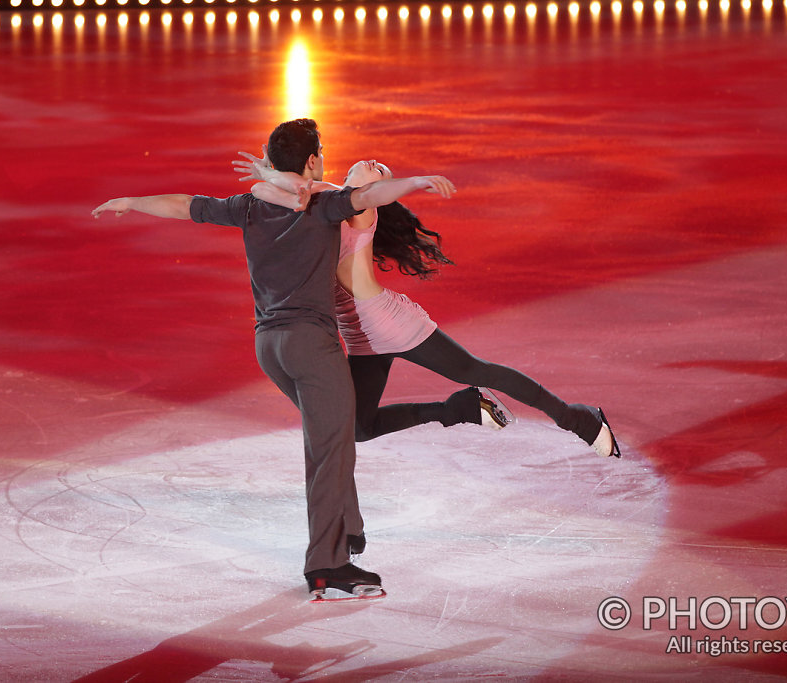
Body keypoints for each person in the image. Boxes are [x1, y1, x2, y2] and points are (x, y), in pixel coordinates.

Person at [92, 119, 456, 600]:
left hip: (270, 346)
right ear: (311, 162)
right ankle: (328, 565)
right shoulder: (325, 206)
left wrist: (131, 201)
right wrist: (418, 182)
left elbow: (184, 205)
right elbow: (369, 197)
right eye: (320, 153)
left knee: (331, 435)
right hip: (312, 346)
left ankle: (348, 529)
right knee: (331, 450)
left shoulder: (247, 206)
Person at [234, 152, 621, 464]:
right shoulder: (324, 201)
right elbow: (292, 192)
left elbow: (319, 190)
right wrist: (266, 174)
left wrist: (414, 182)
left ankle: (577, 418)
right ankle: (462, 408)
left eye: (380, 173)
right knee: (357, 428)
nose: (373, 165)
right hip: (358, 336)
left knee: (474, 368)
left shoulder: (359, 208)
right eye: (371, 162)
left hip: (389, 323)